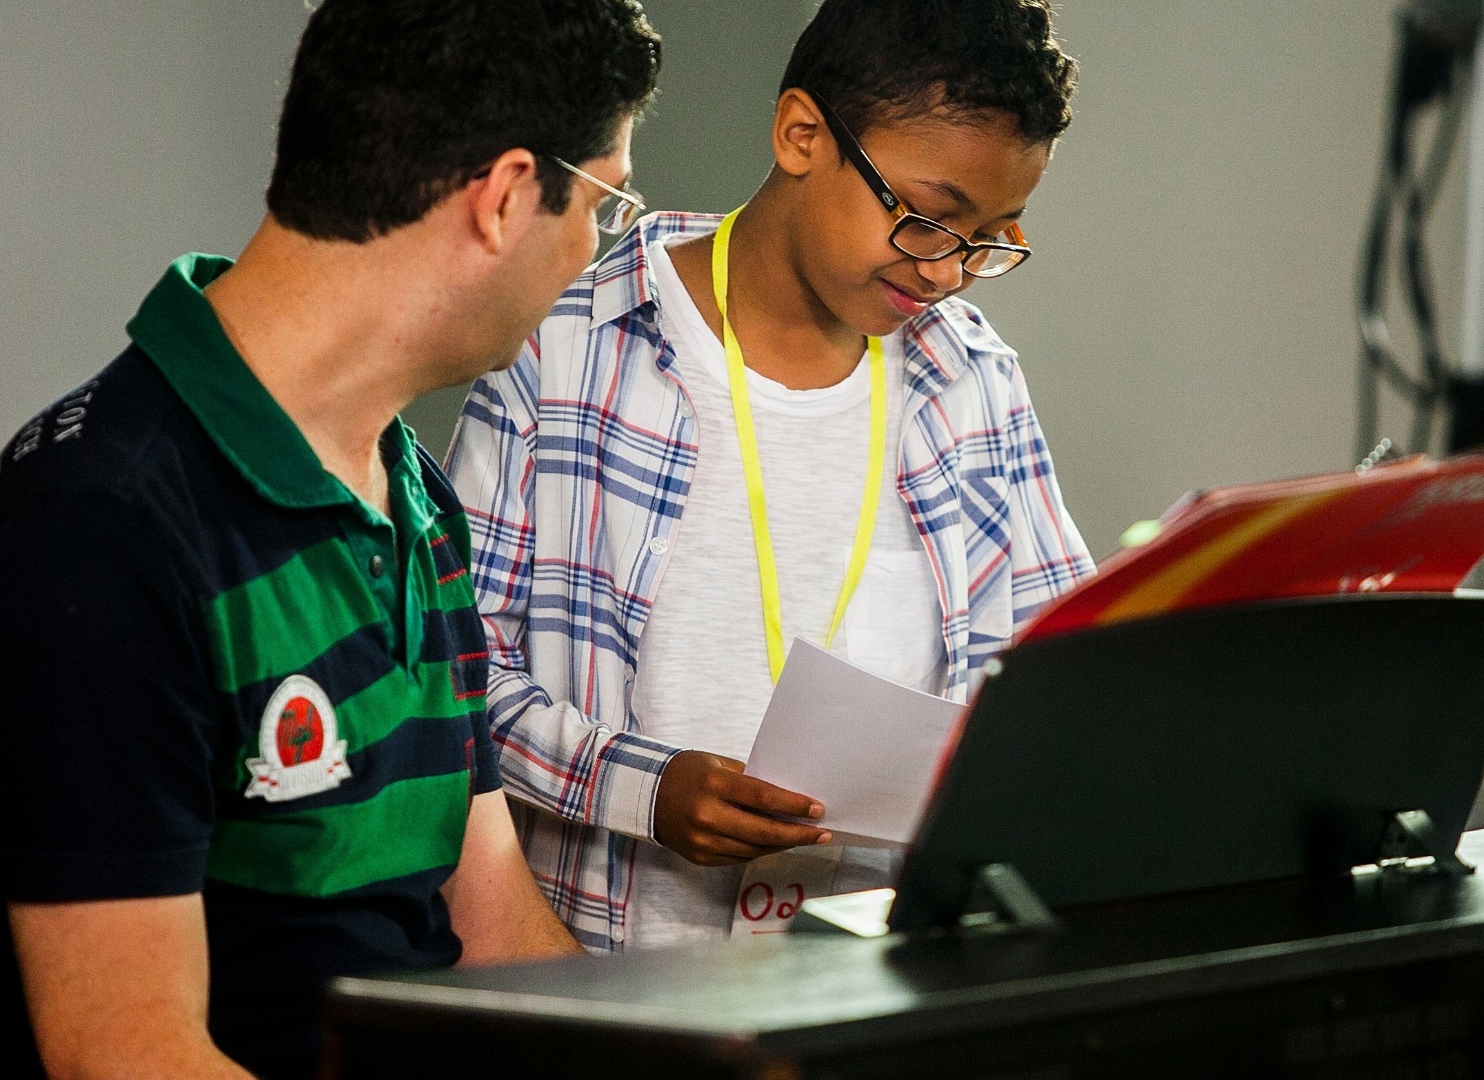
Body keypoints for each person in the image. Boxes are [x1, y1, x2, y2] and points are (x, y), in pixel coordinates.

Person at [0, 1, 661, 1075]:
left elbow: (494, 928)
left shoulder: (411, 496)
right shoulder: (97, 533)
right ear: (502, 199)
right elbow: (127, 1059)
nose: (596, 250)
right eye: (604, 204)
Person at [446, 0, 1092, 952]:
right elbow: (455, 677)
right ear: (802, 136)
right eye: (930, 219)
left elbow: (1051, 680)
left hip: (876, 985)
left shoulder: (973, 381)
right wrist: (643, 787)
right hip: (606, 987)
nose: (951, 273)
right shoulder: (565, 346)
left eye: (993, 237)